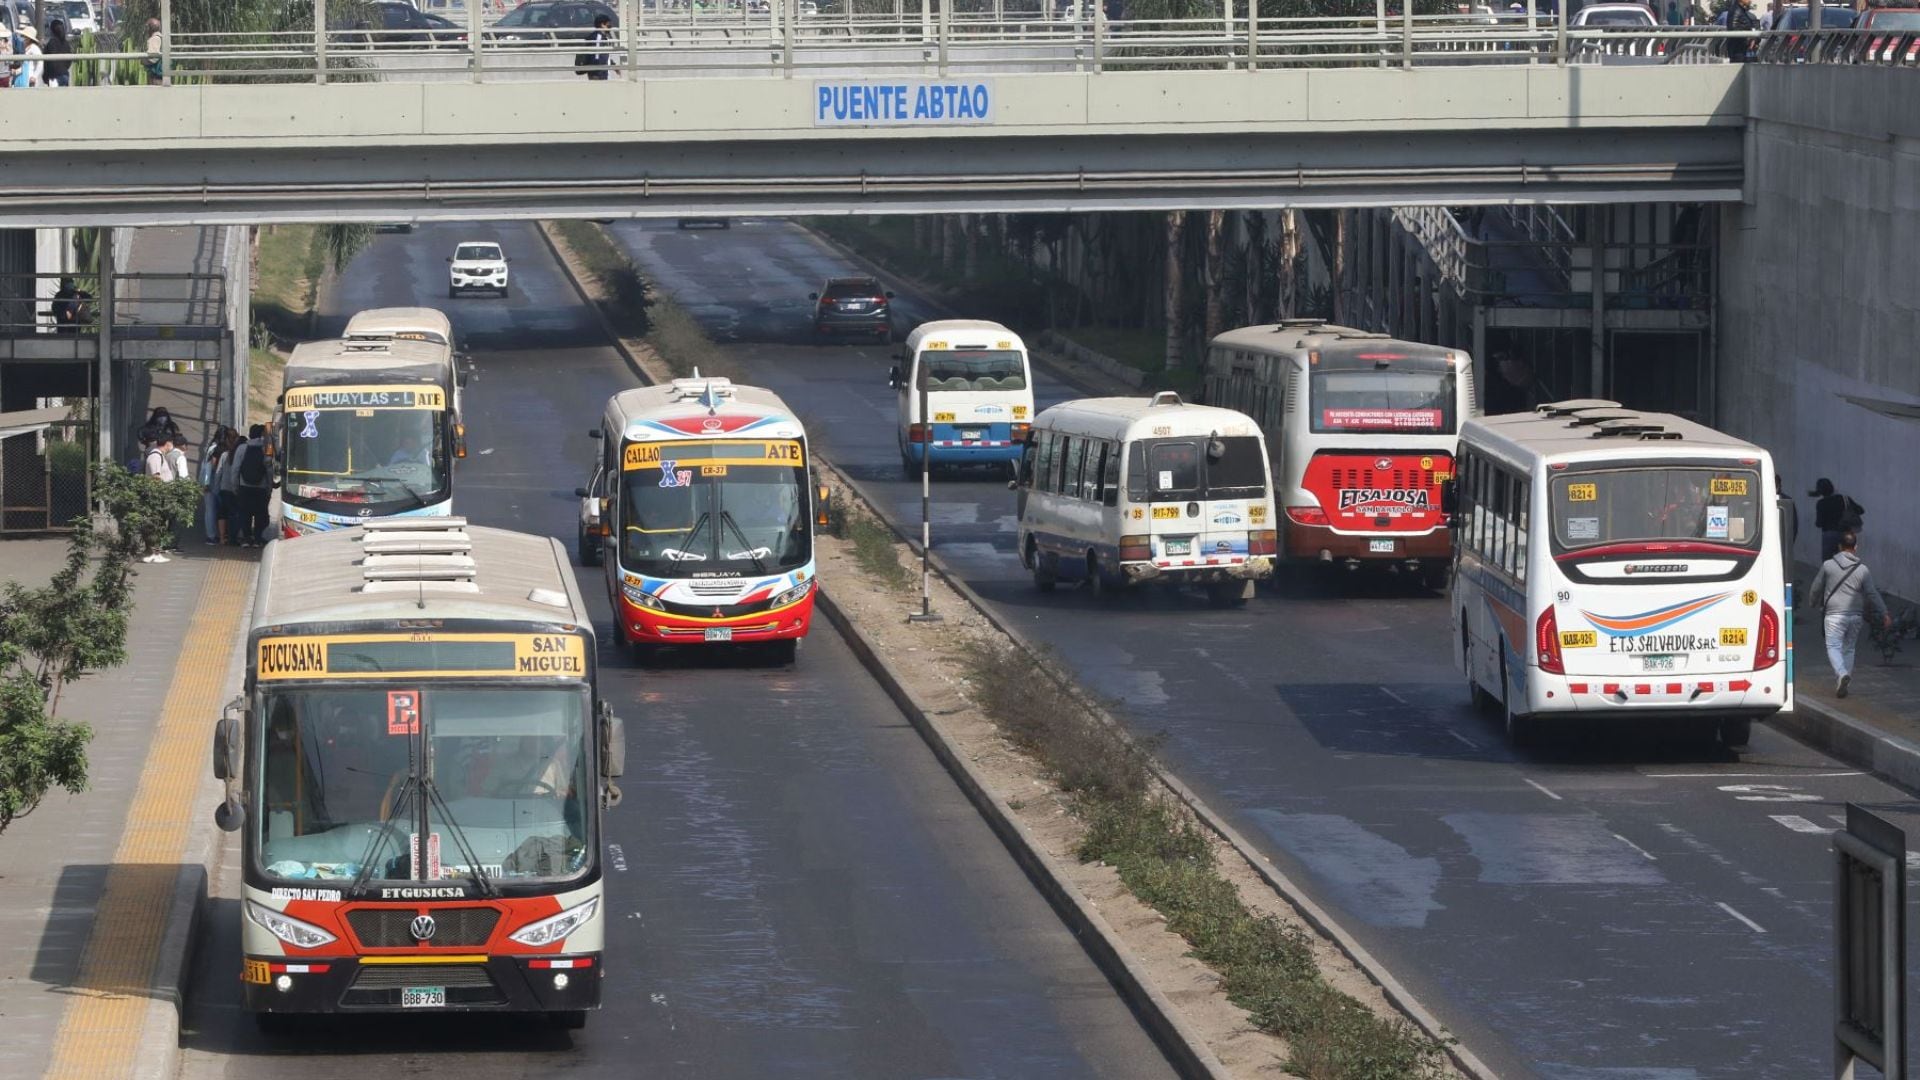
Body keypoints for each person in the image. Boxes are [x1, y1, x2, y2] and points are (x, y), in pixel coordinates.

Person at [1809, 531, 1891, 699]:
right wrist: (1884, 613)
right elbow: (1872, 593)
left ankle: (1841, 674)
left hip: (1833, 615)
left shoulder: (1828, 565)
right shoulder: (1863, 570)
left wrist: (1812, 603)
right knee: (1849, 648)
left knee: (1833, 646)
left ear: (1839, 546)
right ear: (1856, 547)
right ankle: (1844, 681)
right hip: (1855, 616)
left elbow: (1816, 587)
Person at [235, 423, 275, 547]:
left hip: (244, 487)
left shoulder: (242, 448)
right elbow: (269, 469)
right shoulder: (266, 448)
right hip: (261, 488)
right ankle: (258, 539)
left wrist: (235, 485)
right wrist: (269, 486)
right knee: (260, 513)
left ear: (250, 435)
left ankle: (246, 538)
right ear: (262, 434)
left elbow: (235, 469)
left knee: (244, 513)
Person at [1810, 477, 1864, 563]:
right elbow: (1861, 510)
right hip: (1846, 535)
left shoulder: (1821, 503)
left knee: (1827, 563)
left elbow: (1819, 523)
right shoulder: (1844, 499)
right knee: (1846, 562)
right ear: (1832, 488)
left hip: (1829, 535)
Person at [578, 14, 613, 80]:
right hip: (599, 74)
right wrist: (598, 75)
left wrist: (613, 65)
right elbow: (596, 57)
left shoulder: (602, 37)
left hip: (601, 73)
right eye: (608, 24)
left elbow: (604, 55)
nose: (610, 26)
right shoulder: (598, 38)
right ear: (602, 25)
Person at [41, 19, 70, 87]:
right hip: (65, 74)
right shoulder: (66, 43)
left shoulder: (52, 43)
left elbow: (49, 62)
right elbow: (69, 61)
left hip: (54, 77)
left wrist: (46, 76)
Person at [143, 18, 165, 86]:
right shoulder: (161, 37)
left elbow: (153, 57)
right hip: (161, 74)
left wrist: (143, 61)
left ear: (150, 28)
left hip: (156, 75)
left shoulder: (154, 39)